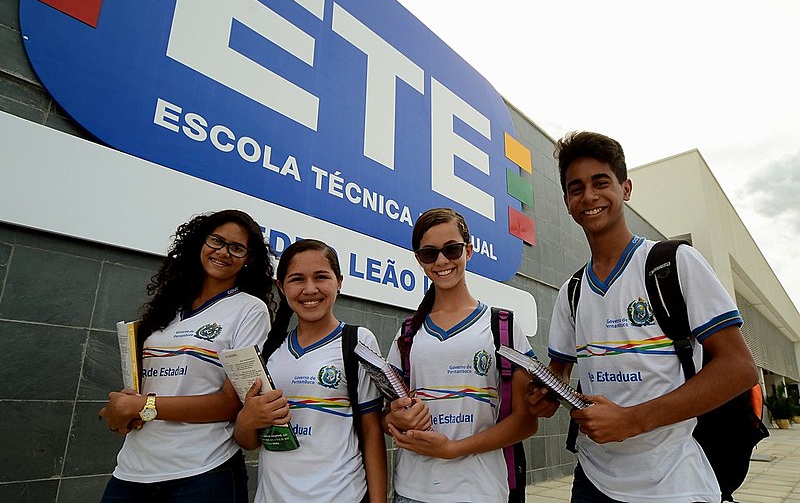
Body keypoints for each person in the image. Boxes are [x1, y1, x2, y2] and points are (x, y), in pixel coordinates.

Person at [526, 131, 758, 502]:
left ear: (626, 189)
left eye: (601, 182)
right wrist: (545, 395)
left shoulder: (673, 263)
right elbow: (559, 372)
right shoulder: (571, 291)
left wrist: (633, 420)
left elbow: (739, 368)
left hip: (672, 482)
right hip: (592, 481)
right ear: (568, 201)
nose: (589, 196)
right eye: (576, 188)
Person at [98, 209, 275, 502]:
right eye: (216, 241)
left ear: (249, 259)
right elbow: (151, 386)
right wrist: (124, 407)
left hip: (202, 472)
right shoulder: (169, 305)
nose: (223, 252)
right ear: (200, 243)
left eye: (237, 248)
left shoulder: (249, 309)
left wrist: (143, 406)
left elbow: (231, 403)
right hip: (132, 469)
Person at [383, 207, 539, 503]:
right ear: (419, 259)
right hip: (412, 491)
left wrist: (453, 449)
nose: (441, 261)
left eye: (451, 249)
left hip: (481, 490)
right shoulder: (407, 334)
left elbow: (526, 422)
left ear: (468, 250)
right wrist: (397, 418)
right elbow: (385, 419)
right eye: (429, 253)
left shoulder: (502, 326)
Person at [234, 239, 387, 503]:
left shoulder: (357, 341)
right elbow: (249, 441)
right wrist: (246, 421)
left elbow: (372, 432)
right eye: (297, 279)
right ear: (281, 287)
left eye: (321, 277)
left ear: (339, 281)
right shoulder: (269, 350)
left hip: (341, 495)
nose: (309, 289)